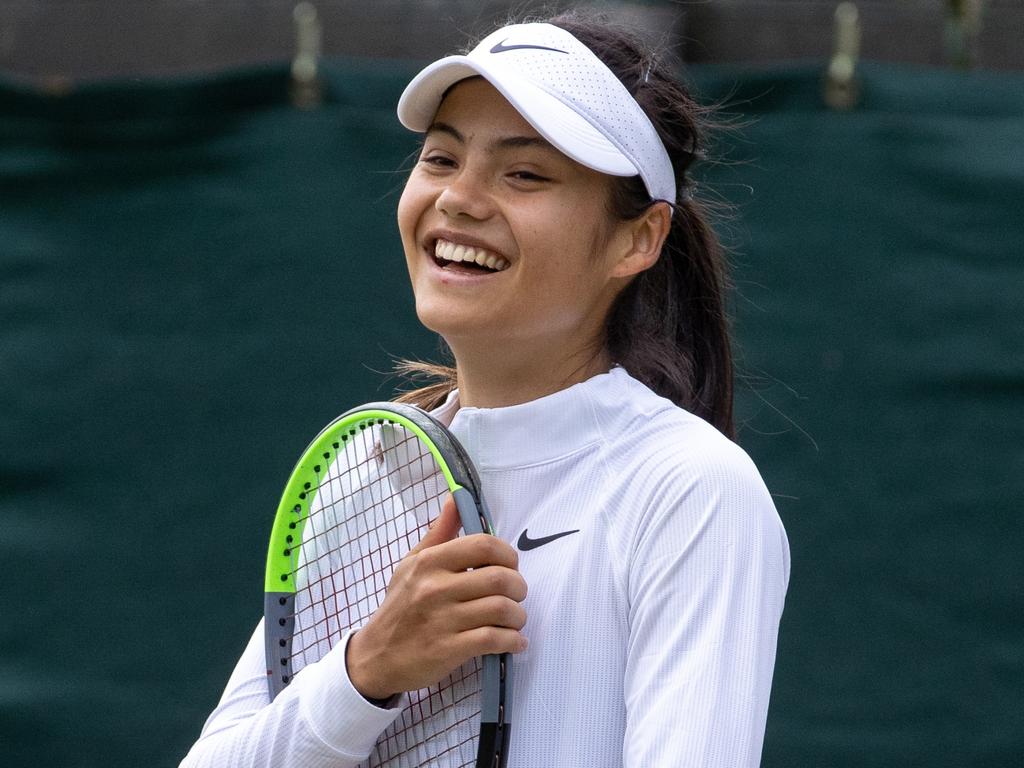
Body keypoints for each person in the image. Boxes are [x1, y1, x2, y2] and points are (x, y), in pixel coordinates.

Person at [180, 9, 789, 768]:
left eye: (524, 173)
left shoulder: (691, 490)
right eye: (440, 159)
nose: (459, 199)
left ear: (639, 239)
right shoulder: (361, 476)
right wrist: (365, 672)